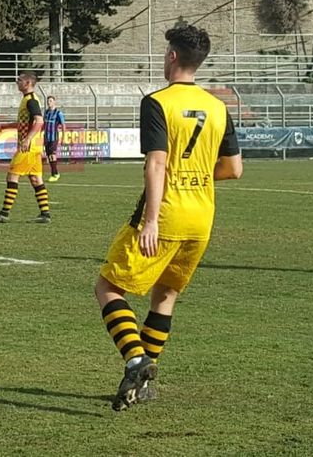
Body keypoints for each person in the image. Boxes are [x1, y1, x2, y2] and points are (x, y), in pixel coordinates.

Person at [94, 25, 242, 411]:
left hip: (167, 214)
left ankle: (136, 360)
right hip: (201, 218)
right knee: (165, 295)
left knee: (108, 287)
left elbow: (157, 163)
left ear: (172, 56)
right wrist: (196, 176)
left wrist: (151, 220)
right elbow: (234, 169)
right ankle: (144, 383)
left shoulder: (158, 102)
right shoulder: (218, 107)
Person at [0, 72, 52, 224]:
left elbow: (39, 121)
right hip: (35, 147)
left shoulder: (31, 100)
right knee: (36, 179)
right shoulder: (29, 99)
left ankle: (4, 214)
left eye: (20, 80)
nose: (17, 82)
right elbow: (27, 122)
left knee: (12, 176)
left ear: (27, 83)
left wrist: (27, 139)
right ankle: (45, 214)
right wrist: (7, 126)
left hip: (28, 147)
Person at [44, 96, 66, 183]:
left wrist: (63, 137)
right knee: (49, 156)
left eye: (50, 101)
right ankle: (55, 173)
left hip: (54, 137)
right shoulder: (46, 112)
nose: (48, 102)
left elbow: (63, 125)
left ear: (54, 102)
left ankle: (54, 174)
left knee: (52, 155)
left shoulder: (58, 113)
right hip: (46, 137)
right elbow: (43, 124)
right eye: (48, 101)